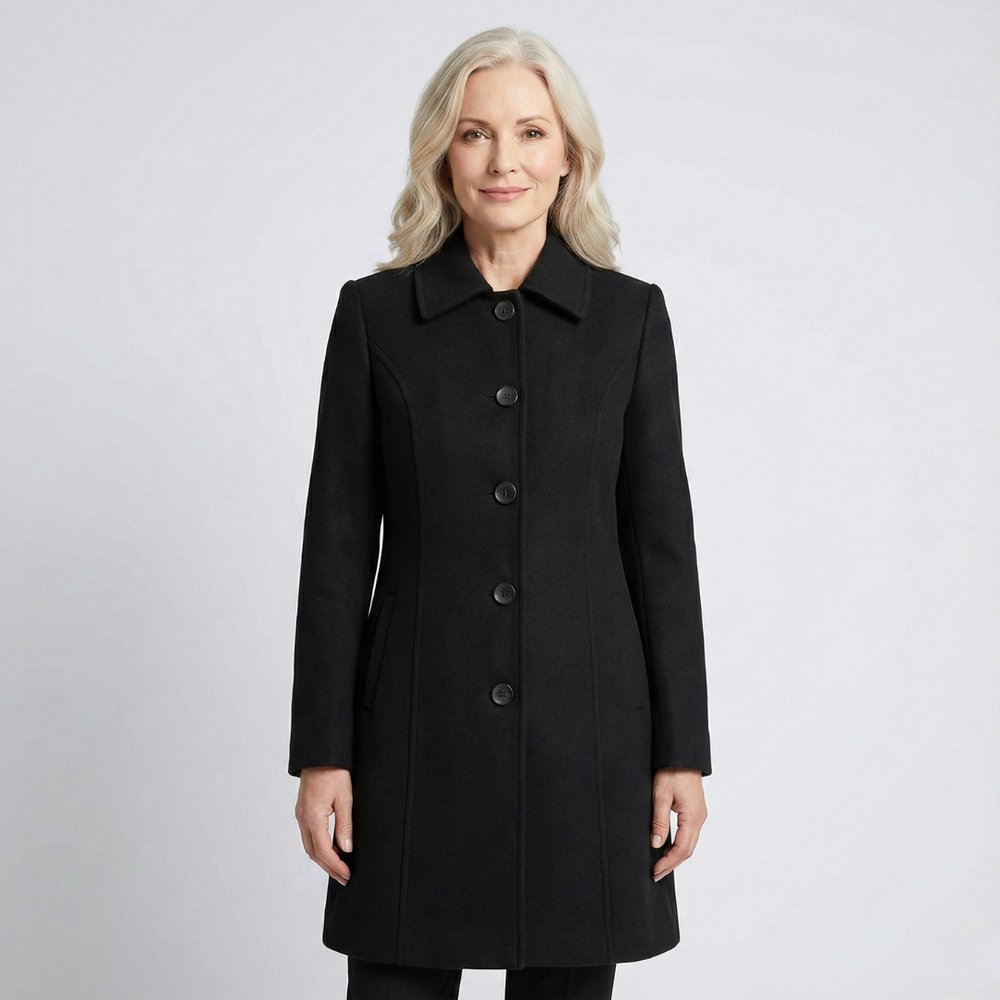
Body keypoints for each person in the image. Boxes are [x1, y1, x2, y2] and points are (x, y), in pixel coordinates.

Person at [289, 25, 712, 1000]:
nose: (503, 160)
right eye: (476, 133)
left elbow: (661, 548)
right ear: (442, 151)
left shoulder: (628, 320)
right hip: (412, 739)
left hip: (587, 744)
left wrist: (681, 753)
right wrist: (323, 754)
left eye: (530, 132)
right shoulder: (375, 318)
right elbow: (337, 547)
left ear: (568, 155)